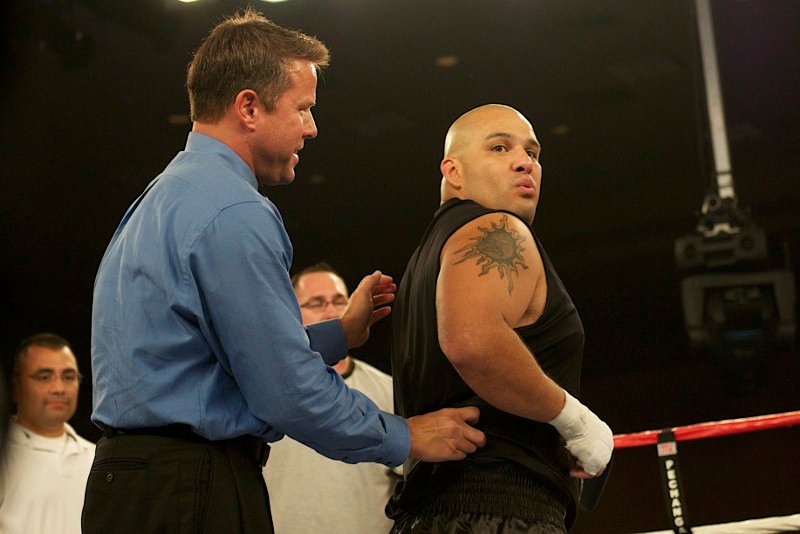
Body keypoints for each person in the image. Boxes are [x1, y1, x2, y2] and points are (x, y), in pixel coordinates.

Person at [83, 9, 485, 534]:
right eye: (303, 108)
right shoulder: (233, 209)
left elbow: (215, 360)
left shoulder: (162, 198)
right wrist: (406, 435)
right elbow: (285, 390)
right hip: (190, 488)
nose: (311, 128)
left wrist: (339, 334)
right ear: (249, 107)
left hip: (131, 486)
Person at [388, 104, 613, 533]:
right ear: (454, 172)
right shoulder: (498, 230)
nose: (524, 162)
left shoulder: (428, 255)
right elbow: (472, 341)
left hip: (435, 511)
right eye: (499, 147)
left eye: (533, 152)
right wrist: (576, 421)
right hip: (499, 509)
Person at [264, 262, 400, 534]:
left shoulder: (389, 390)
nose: (331, 311)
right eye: (316, 303)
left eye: (339, 301)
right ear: (290, 311)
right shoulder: (266, 389)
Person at [0, 333, 95, 534]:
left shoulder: (97, 459)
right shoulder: (4, 455)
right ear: (16, 387)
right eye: (44, 377)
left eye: (68, 377)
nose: (59, 388)